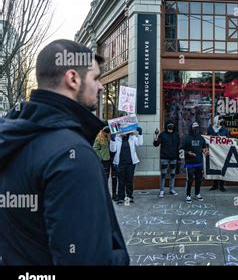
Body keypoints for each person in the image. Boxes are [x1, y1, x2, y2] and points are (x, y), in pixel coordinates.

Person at [0, 39, 129, 265]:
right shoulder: (72, 154)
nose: (100, 86)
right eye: (96, 78)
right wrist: (119, 257)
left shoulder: (15, 137)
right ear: (73, 78)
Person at [110, 128, 143, 205]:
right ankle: (121, 198)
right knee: (121, 181)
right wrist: (112, 140)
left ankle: (129, 197)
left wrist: (140, 133)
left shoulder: (132, 138)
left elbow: (140, 143)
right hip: (120, 163)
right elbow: (113, 150)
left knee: (129, 180)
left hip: (130, 163)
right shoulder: (117, 138)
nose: (125, 133)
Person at [181, 122, 209, 204]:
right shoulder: (186, 138)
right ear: (191, 128)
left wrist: (205, 151)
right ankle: (188, 195)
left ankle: (197, 193)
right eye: (194, 127)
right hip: (190, 163)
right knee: (190, 179)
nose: (196, 129)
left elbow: (204, 147)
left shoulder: (201, 138)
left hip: (199, 162)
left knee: (198, 179)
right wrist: (188, 153)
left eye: (197, 127)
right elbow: (181, 149)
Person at [153, 121, 180, 198]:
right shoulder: (162, 134)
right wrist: (156, 135)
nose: (170, 125)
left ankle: (172, 189)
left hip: (174, 157)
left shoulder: (176, 135)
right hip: (164, 157)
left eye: (171, 124)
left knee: (172, 174)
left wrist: (178, 156)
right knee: (163, 174)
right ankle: (162, 190)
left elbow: (179, 145)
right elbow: (156, 144)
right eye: (169, 124)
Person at [93, 126, 118, 200]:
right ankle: (105, 195)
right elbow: (95, 148)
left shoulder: (113, 136)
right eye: (107, 132)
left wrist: (111, 138)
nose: (108, 133)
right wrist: (101, 157)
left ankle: (114, 194)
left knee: (114, 177)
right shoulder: (99, 138)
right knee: (105, 178)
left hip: (113, 159)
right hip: (105, 160)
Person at [207, 115, 230, 192]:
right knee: (215, 167)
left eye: (222, 120)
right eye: (220, 119)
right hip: (213, 151)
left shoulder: (224, 130)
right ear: (216, 120)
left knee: (222, 168)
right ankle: (215, 185)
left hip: (222, 152)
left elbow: (228, 139)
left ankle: (222, 185)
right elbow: (208, 138)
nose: (221, 121)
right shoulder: (210, 129)